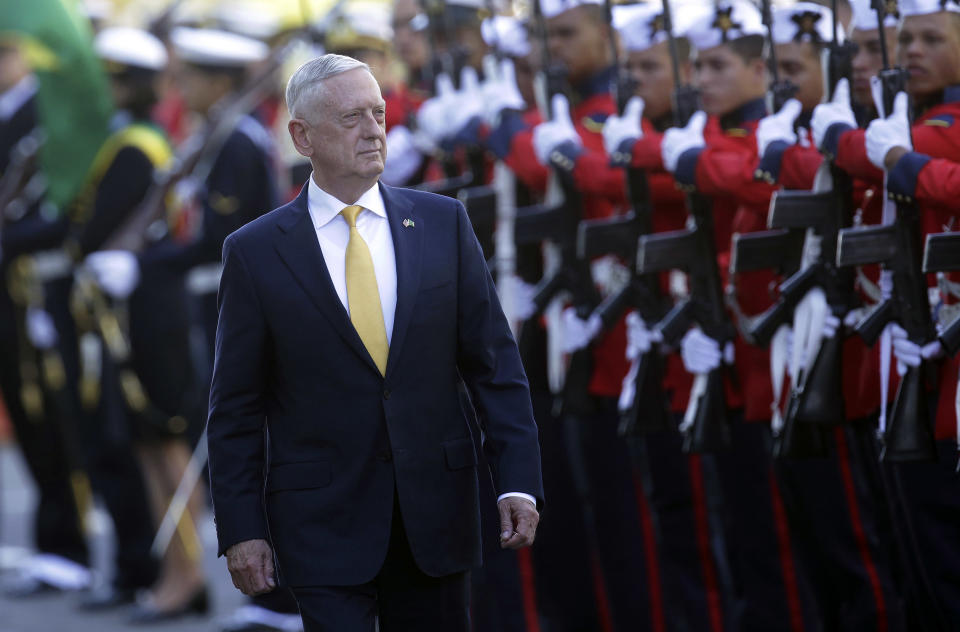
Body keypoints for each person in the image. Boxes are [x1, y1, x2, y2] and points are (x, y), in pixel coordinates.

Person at [206, 54, 543, 631]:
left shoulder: (443, 224)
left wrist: (519, 482)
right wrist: (242, 530)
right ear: (301, 136)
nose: (373, 130)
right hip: (321, 525)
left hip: (435, 518)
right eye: (350, 118)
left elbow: (494, 367)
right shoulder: (257, 251)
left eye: (378, 113)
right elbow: (235, 407)